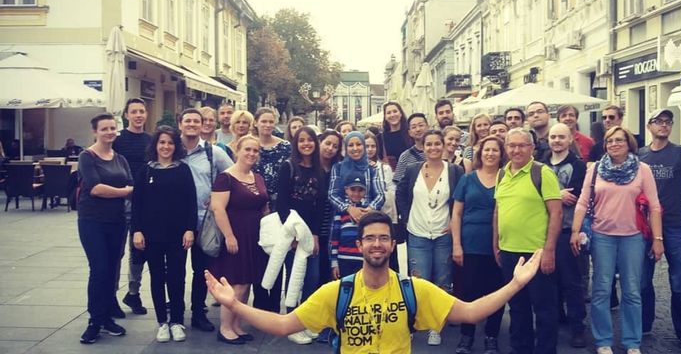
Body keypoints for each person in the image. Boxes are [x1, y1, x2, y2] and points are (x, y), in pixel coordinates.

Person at [205, 212, 544, 354]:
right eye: (371, 239)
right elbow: (282, 325)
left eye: (384, 238)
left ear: (392, 245)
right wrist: (234, 305)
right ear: (361, 245)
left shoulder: (414, 289)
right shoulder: (337, 292)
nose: (378, 244)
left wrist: (515, 285)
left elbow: (470, 313)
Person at [570, 125, 663, 354]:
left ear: (628, 143)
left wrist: (658, 238)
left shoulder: (643, 169)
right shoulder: (596, 170)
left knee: (632, 290)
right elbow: (582, 202)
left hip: (633, 237)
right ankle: (603, 341)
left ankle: (632, 342)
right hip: (602, 236)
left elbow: (654, 206)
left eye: (619, 140)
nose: (614, 144)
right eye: (610, 141)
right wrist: (574, 231)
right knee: (601, 290)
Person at [494, 127, 563, 354]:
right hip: (508, 251)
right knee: (517, 307)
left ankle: (545, 350)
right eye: (512, 145)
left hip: (537, 253)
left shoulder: (542, 173)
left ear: (532, 148)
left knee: (544, 309)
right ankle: (520, 348)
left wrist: (549, 251)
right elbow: (498, 211)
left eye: (522, 145)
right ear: (506, 148)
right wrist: (496, 244)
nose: (516, 150)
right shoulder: (502, 174)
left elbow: (556, 213)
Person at [639, 109, 681, 349]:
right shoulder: (640, 155)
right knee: (642, 280)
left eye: (668, 122)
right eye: (659, 122)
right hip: (644, 227)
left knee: (680, 282)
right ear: (649, 126)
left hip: (674, 226)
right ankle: (644, 323)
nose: (664, 125)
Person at [396, 129, 464, 347]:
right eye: (429, 144)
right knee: (418, 281)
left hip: (443, 234)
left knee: (443, 282)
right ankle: (414, 324)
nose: (433, 148)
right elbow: (400, 193)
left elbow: (459, 201)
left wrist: (454, 226)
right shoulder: (412, 169)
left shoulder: (454, 171)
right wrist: (406, 217)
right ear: (423, 147)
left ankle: (436, 325)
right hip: (417, 233)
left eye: (437, 144)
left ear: (443, 145)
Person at [132, 126, 197, 343]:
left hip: (178, 235)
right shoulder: (146, 171)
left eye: (170, 143)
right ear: (155, 145)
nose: (166, 147)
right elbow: (137, 204)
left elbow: (191, 202)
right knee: (157, 278)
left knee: (177, 277)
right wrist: (137, 231)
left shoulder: (183, 170)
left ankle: (177, 321)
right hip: (151, 235)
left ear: (175, 146)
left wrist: (190, 229)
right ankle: (162, 322)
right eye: (162, 142)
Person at [77, 113, 134, 344]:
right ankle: (94, 320)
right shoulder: (87, 156)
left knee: (111, 270)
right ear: (95, 132)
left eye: (113, 128)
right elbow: (96, 189)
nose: (110, 132)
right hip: (92, 221)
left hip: (117, 221)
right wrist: (123, 192)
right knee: (99, 269)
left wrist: (123, 191)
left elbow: (132, 183)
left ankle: (106, 317)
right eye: (104, 129)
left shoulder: (119, 158)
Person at [209, 134, 269, 345]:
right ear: (238, 151)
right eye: (248, 150)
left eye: (256, 150)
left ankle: (236, 325)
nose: (252, 154)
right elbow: (218, 208)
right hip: (235, 235)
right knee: (235, 284)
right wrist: (229, 236)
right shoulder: (226, 177)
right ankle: (225, 328)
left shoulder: (257, 177)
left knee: (246, 282)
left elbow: (263, 206)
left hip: (254, 235)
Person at [179, 108, 233, 333]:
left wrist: (218, 196)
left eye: (196, 121)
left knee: (202, 271)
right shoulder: (171, 150)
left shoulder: (213, 153)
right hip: (175, 222)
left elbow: (233, 177)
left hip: (204, 223)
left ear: (202, 126)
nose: (192, 124)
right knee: (174, 271)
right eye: (187, 121)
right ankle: (175, 314)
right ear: (180, 124)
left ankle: (199, 313)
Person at [452, 135, 507, 354]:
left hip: (499, 244)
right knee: (469, 292)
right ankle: (467, 336)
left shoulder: (507, 178)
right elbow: (456, 214)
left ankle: (491, 337)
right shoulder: (467, 179)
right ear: (480, 153)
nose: (490, 154)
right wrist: (457, 244)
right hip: (470, 243)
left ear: (501, 154)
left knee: (496, 292)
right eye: (486, 150)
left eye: (495, 150)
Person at [276, 126, 327, 345]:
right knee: (294, 277)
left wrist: (314, 234)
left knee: (312, 278)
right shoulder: (288, 167)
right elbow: (281, 203)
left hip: (311, 232)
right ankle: (292, 323)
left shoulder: (319, 170)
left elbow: (320, 205)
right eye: (301, 140)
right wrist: (294, 236)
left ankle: (306, 320)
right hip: (291, 233)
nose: (306, 144)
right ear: (296, 143)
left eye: (310, 140)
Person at [542, 123, 588, 348]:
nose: (556, 140)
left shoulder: (578, 166)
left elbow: (576, 196)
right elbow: (535, 193)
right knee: (548, 280)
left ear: (570, 139)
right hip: (543, 230)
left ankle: (578, 326)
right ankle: (557, 318)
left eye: (561, 137)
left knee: (572, 281)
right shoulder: (540, 164)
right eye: (553, 137)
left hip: (568, 229)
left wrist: (552, 195)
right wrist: (557, 194)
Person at [111, 97, 152, 317]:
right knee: (116, 252)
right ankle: (111, 298)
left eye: (142, 111)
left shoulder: (152, 139)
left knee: (139, 251)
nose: (138, 115)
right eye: (134, 111)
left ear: (146, 114)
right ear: (127, 115)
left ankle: (133, 293)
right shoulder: (117, 140)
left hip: (145, 203)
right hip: (120, 202)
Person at [316, 129, 344, 342]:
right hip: (315, 230)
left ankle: (330, 323)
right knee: (316, 278)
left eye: (335, 146)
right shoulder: (310, 166)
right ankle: (317, 321)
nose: (330, 148)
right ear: (320, 142)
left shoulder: (338, 167)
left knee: (330, 278)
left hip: (333, 229)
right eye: (328, 143)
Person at [329, 132, 385, 221]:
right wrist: (349, 208)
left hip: (367, 218)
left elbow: (380, 195)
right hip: (342, 219)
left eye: (359, 144)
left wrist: (370, 209)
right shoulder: (338, 168)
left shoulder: (371, 169)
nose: (355, 148)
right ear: (346, 148)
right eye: (350, 145)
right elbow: (332, 194)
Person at [252, 107, 292, 211]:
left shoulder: (285, 146)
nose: (268, 125)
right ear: (256, 123)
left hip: (280, 200)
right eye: (264, 121)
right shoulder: (250, 146)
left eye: (271, 122)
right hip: (255, 200)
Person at [330, 174, 368, 279]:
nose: (356, 193)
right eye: (353, 189)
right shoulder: (341, 211)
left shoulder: (368, 211)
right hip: (343, 259)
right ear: (346, 190)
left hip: (362, 260)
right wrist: (334, 263)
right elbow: (335, 238)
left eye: (360, 190)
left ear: (365, 191)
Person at [376, 101, 414, 170]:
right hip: (390, 177)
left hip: (410, 175)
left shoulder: (410, 134)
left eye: (395, 111)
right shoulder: (380, 138)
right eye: (388, 113)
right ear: (385, 117)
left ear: (401, 113)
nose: (392, 115)